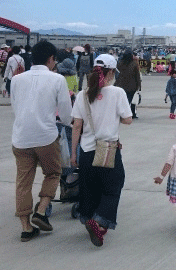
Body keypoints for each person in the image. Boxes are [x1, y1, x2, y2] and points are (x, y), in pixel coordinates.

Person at [9, 41, 72, 242]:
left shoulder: (17, 80)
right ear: (51, 59)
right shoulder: (57, 79)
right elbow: (65, 114)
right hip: (45, 136)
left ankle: (26, 228)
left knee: (23, 183)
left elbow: (15, 107)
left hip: (21, 138)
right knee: (53, 173)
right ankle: (41, 210)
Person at [70, 54, 133, 247]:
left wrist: (73, 153)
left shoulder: (83, 94)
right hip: (108, 150)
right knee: (113, 186)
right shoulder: (117, 93)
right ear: (111, 72)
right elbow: (128, 119)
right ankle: (98, 221)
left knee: (90, 188)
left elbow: (76, 126)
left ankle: (90, 218)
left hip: (87, 150)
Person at [115, 51, 142, 119]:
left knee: (122, 100)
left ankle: (121, 113)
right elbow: (137, 76)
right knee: (129, 100)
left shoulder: (120, 63)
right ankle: (126, 114)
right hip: (131, 85)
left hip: (121, 84)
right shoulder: (134, 64)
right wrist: (139, 85)